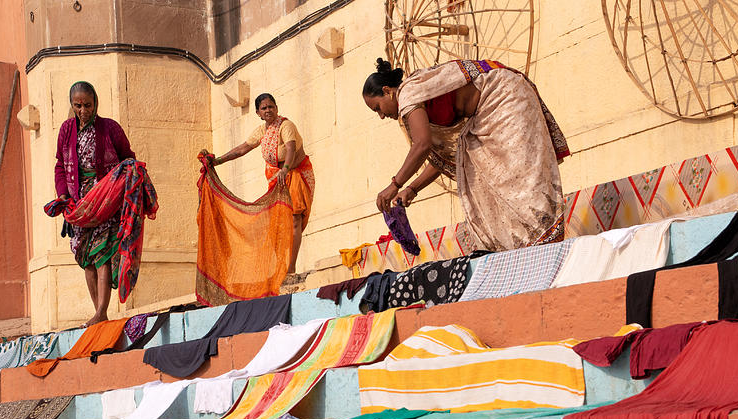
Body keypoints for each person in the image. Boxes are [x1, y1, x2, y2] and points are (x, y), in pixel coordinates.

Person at [362, 58, 570, 252]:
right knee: (477, 170)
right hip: (485, 112)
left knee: (520, 179)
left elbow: (422, 145)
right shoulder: (414, 102)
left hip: (504, 95)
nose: (381, 116)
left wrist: (395, 184)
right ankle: (519, 248)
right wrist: (411, 189)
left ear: (388, 91)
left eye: (377, 108)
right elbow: (443, 157)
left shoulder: (408, 93)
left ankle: (545, 245)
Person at [54, 81, 136, 326]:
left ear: (95, 103)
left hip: (105, 200)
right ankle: (97, 313)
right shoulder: (66, 130)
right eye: (78, 105)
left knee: (101, 254)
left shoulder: (109, 128)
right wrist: (62, 195)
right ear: (72, 105)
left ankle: (102, 311)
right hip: (79, 204)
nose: (83, 110)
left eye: (87, 105)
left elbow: (128, 158)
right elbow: (60, 164)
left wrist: (124, 181)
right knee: (85, 256)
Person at [210, 93, 314, 273]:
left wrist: (286, 168)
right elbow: (242, 149)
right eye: (264, 108)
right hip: (277, 179)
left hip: (295, 174)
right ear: (258, 112)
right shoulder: (261, 131)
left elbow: (290, 148)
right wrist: (218, 161)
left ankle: (291, 267)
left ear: (276, 108)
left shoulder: (286, 125)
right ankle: (279, 266)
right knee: (277, 223)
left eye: (271, 106)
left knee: (295, 219)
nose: (268, 110)